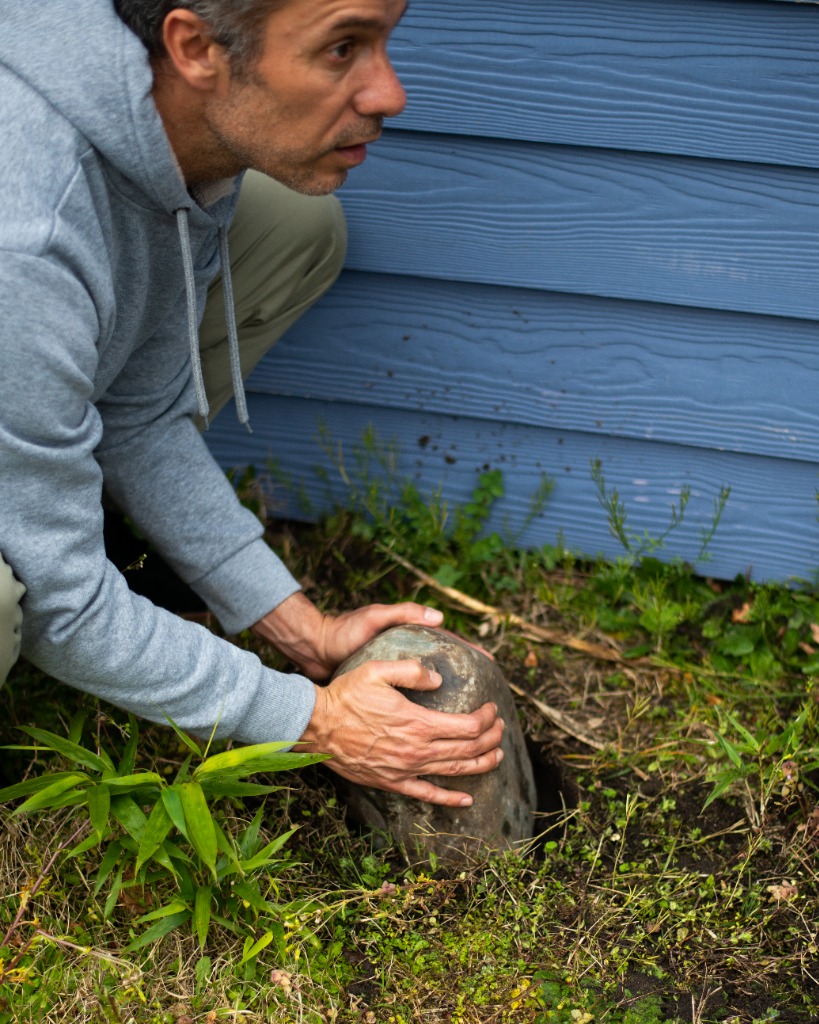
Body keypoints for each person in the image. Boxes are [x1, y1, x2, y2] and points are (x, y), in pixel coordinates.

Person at [0, 0, 505, 808]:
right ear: (194, 47)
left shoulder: (179, 137)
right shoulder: (24, 236)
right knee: (7, 601)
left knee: (299, 220)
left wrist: (295, 626)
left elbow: (139, 408)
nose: (388, 92)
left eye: (383, 40)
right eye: (342, 48)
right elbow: (59, 596)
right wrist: (315, 719)